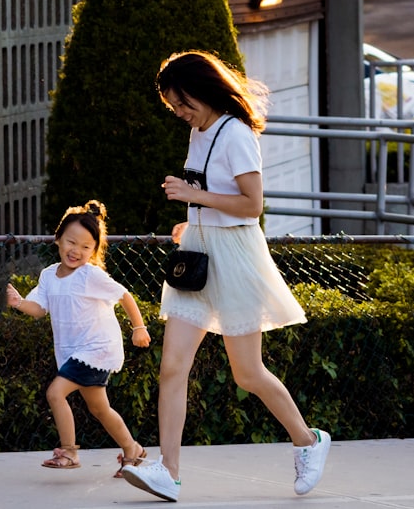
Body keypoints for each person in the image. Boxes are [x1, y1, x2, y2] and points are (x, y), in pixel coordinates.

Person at [120, 51, 331, 502]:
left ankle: (309, 442)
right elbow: (214, 198)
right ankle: (169, 473)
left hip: (235, 254)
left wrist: (196, 197)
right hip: (198, 250)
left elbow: (252, 205)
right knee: (172, 366)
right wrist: (193, 218)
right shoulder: (200, 131)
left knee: (248, 372)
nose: (180, 113)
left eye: (182, 104)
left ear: (202, 90)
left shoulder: (236, 134)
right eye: (174, 107)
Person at [6, 200, 151, 476]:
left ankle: (70, 452)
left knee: (55, 393)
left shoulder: (90, 275)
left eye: (86, 247)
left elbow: (124, 295)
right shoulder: (49, 275)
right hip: (74, 353)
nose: (77, 251)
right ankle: (133, 449)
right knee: (100, 408)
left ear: (94, 251)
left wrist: (139, 327)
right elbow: (38, 309)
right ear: (58, 239)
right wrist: (18, 303)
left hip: (96, 349)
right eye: (72, 242)